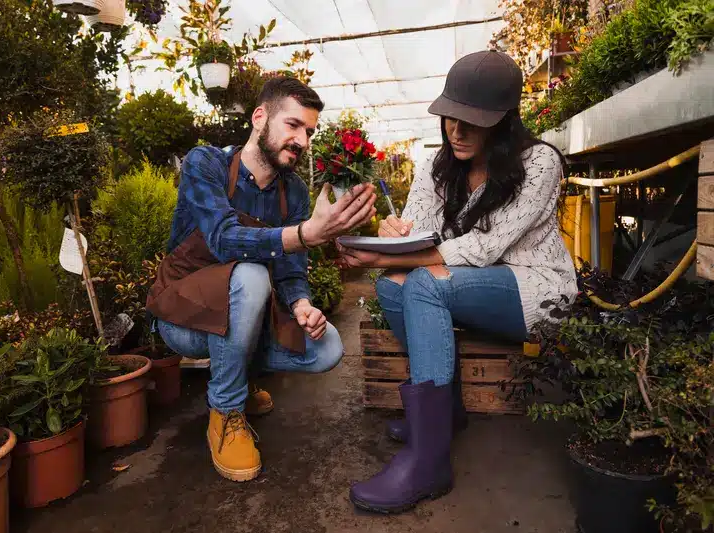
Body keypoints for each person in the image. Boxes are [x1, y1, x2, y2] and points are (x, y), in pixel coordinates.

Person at [336, 49, 577, 513]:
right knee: (391, 284)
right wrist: (391, 237)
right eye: (450, 116)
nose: (457, 131)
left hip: (537, 289)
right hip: (473, 282)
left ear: (505, 121)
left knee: (422, 283)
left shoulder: (539, 163)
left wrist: (384, 256)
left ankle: (429, 461)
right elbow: (416, 229)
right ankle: (445, 414)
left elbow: (486, 246)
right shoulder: (437, 166)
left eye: (472, 120)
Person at [146, 77, 377, 482]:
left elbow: (289, 272)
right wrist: (303, 234)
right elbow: (222, 238)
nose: (302, 140)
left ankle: (235, 372)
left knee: (327, 348)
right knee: (251, 276)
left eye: (309, 131)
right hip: (185, 317)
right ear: (259, 118)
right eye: (293, 125)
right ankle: (226, 411)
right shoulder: (207, 164)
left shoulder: (294, 192)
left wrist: (303, 305)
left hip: (239, 316)